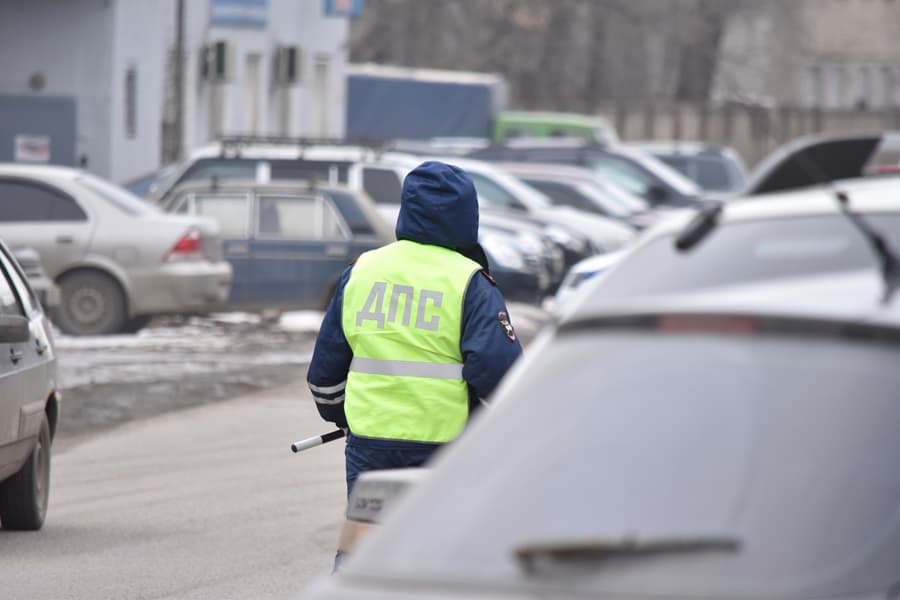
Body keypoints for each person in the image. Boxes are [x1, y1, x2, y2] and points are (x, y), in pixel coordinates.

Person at [306, 160, 523, 499]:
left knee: (366, 541)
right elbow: (499, 375)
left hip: (370, 445)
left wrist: (345, 417)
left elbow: (325, 377)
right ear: (467, 216)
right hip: (443, 450)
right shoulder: (470, 282)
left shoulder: (362, 271)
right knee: (435, 545)